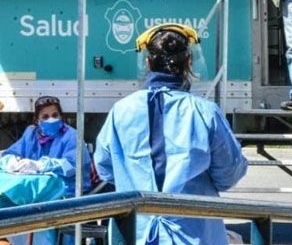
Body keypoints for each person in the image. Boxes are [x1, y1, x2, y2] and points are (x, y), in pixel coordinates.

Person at [94, 23, 247, 245]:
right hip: (194, 234)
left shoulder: (121, 110)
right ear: (189, 62)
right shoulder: (203, 111)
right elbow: (229, 173)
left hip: (136, 232)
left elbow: (105, 168)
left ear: (148, 62)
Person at [0, 95, 92, 245]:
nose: (51, 119)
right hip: (36, 194)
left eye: (55, 115)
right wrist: (11, 161)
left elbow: (72, 165)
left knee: (41, 214)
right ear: (37, 120)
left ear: (61, 116)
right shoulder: (31, 134)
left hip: (66, 193)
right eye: (45, 116)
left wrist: (42, 165)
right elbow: (11, 153)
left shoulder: (71, 135)